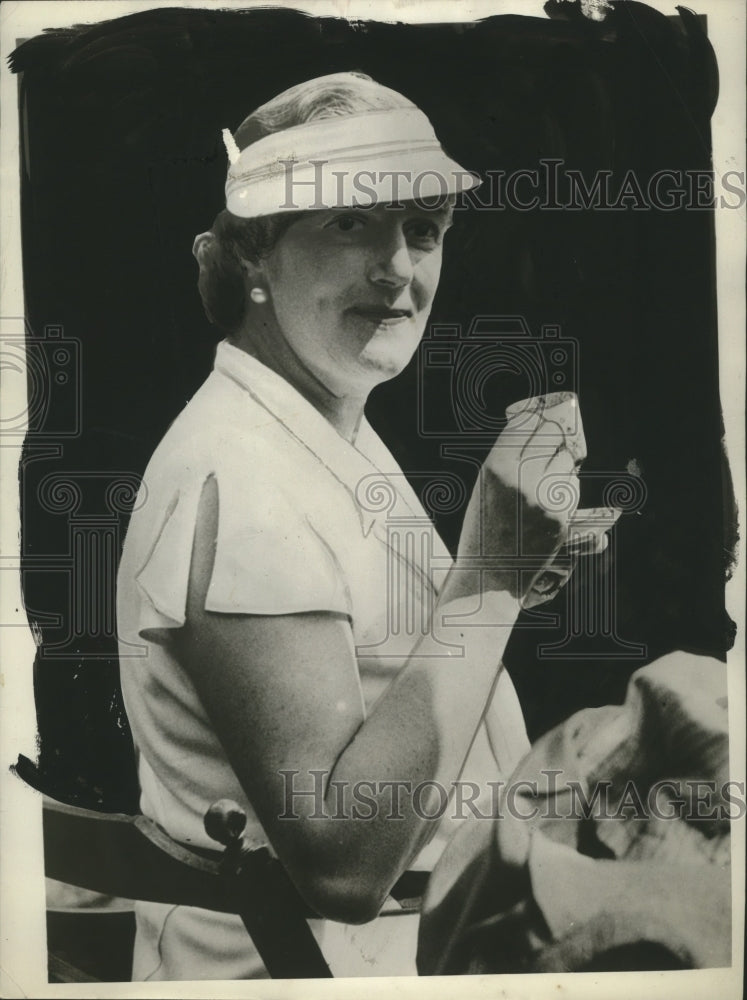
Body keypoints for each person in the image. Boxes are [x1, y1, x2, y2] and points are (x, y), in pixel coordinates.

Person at [116, 71, 592, 980]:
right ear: (255, 254)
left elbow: (379, 683)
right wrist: (487, 577)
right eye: (350, 223)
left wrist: (498, 578)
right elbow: (342, 864)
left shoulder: (313, 421)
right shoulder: (246, 478)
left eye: (421, 230)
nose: (398, 269)